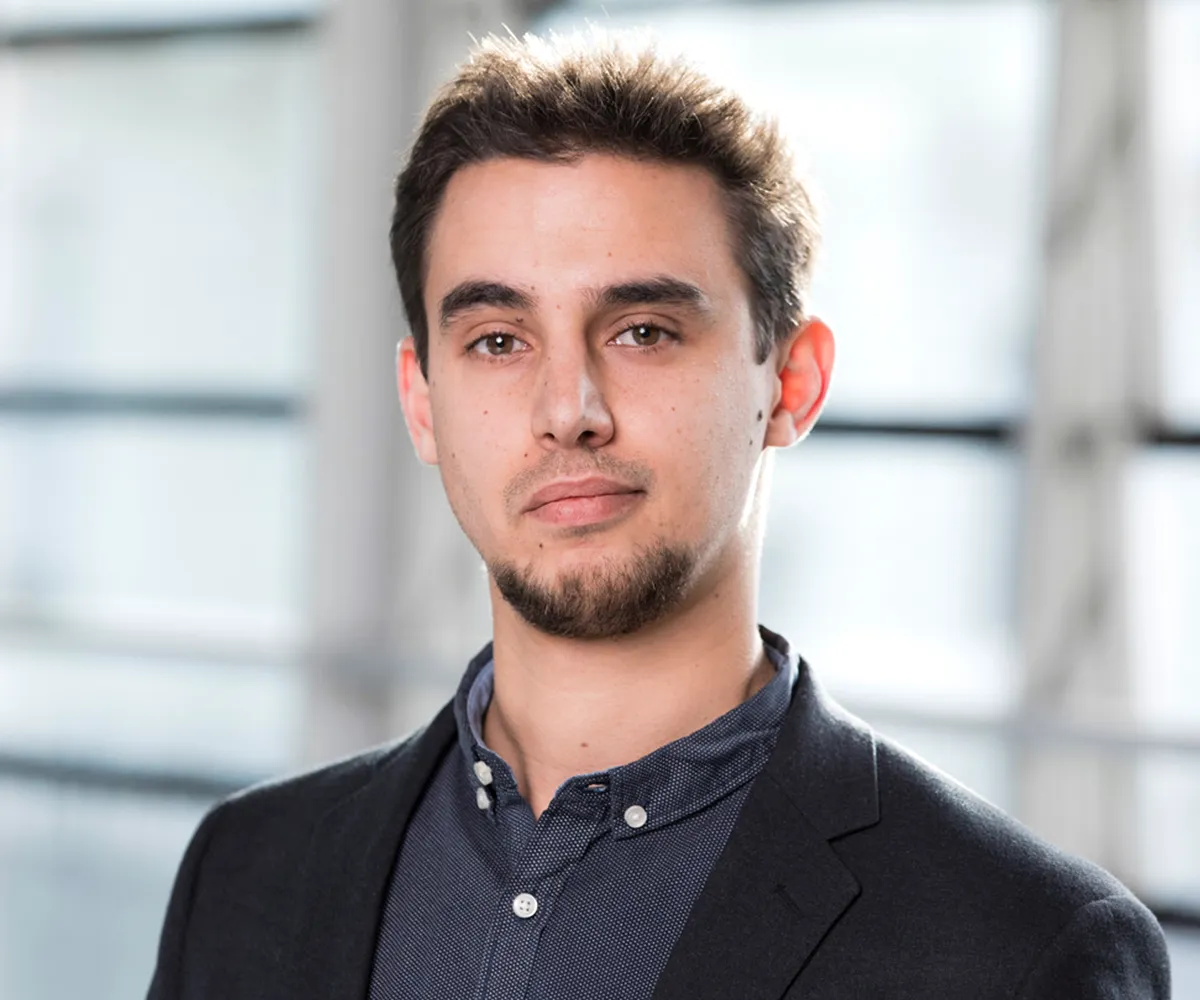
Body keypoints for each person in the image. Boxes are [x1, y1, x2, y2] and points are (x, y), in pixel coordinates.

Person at [147, 31, 1170, 1000]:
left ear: (793, 381)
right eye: (498, 340)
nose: (568, 412)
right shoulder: (246, 873)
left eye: (642, 330)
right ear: (423, 401)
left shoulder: (1021, 947)